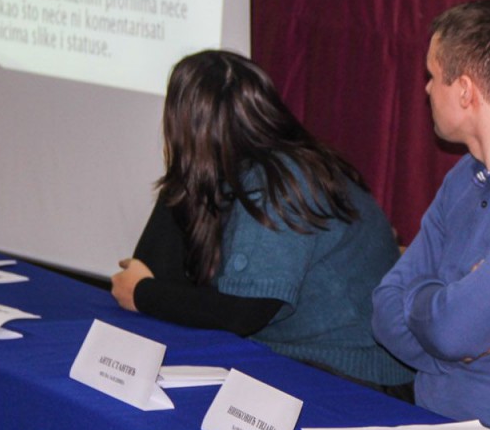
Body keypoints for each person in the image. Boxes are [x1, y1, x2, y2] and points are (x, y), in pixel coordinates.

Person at [111, 50, 413, 393]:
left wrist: (144, 294)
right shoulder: (239, 169)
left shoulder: (282, 182)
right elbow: (152, 269)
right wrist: (185, 169)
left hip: (354, 373)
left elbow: (243, 313)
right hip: (292, 356)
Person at [372, 0, 490, 430]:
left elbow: (455, 331)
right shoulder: (465, 174)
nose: (427, 89)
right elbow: (384, 308)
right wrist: (451, 340)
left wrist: (442, 319)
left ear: (466, 92)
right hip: (430, 425)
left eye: (433, 76)